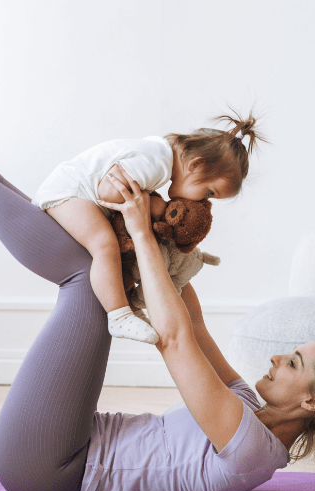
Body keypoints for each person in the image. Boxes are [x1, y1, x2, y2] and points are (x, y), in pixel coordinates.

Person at [0, 86, 315, 491]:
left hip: (51, 469)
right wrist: (173, 246)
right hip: (68, 440)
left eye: (294, 362)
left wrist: (140, 231)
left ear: (313, 401)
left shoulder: (249, 448)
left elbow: (173, 339)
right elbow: (192, 323)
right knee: (94, 266)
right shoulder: (244, 404)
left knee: (89, 282)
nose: (278, 358)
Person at [30, 106, 265, 346]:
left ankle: (129, 307)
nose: (203, 201)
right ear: (195, 165)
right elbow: (108, 191)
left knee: (123, 254)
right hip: (66, 194)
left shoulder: (159, 152)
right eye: (209, 192)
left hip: (72, 194)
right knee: (105, 244)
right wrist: (156, 206)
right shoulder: (156, 164)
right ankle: (118, 315)